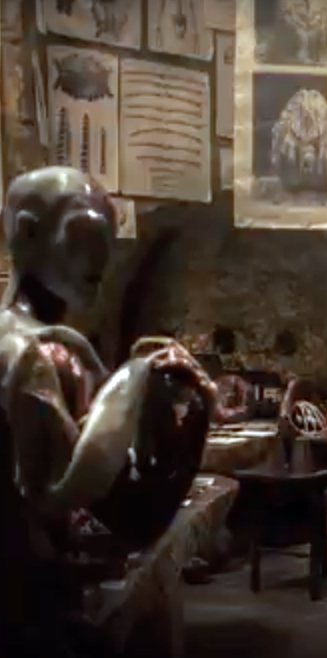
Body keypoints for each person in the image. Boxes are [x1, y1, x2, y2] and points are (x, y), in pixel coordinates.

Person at [0, 167, 216, 656]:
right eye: (83, 232)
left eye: (108, 237)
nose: (100, 253)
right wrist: (169, 402)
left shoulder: (30, 343)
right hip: (35, 607)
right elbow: (105, 506)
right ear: (28, 233)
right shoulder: (41, 354)